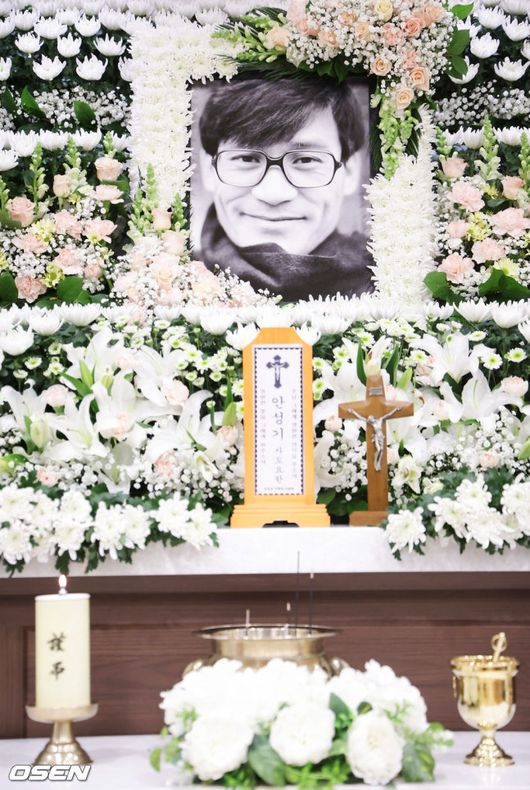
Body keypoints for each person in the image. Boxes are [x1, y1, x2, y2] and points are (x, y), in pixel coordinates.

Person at [195, 75, 374, 302]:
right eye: (247, 158)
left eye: (306, 160)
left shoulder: (393, 286)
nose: (273, 194)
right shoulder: (167, 281)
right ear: (209, 168)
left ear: (349, 170)